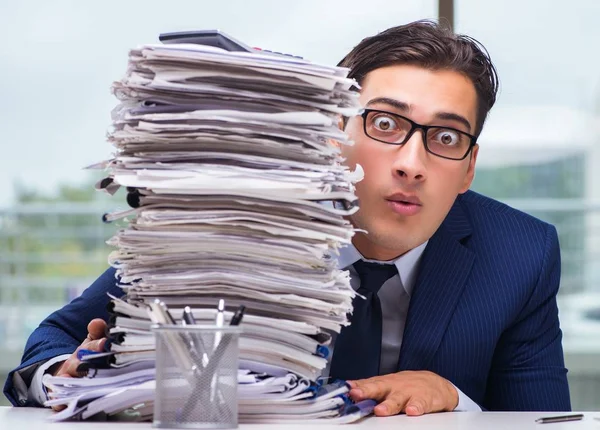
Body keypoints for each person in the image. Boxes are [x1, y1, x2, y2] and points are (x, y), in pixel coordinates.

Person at [4, 20, 571, 415]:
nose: (411, 163)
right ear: (332, 135)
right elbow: (52, 342)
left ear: (469, 168)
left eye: (445, 137)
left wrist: (453, 397)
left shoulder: (519, 255)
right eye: (385, 124)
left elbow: (546, 419)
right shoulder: (237, 221)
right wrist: (65, 374)